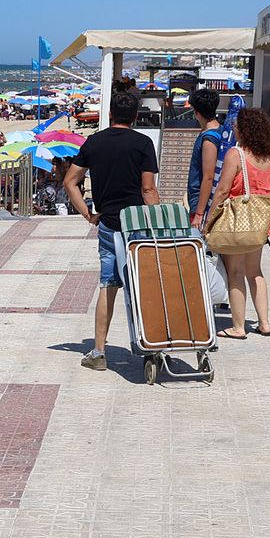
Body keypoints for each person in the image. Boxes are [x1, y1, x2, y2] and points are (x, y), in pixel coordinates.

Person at [61, 91, 159, 371]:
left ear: (110, 114)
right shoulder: (143, 143)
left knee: (109, 285)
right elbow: (148, 189)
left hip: (108, 224)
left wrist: (88, 215)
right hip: (138, 223)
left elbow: (70, 182)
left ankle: (99, 351)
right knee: (144, 285)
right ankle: (151, 343)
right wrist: (157, 220)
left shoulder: (94, 142)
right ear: (136, 117)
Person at [206, 108, 270, 339]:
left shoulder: (235, 155)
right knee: (255, 272)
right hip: (258, 224)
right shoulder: (268, 157)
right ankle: (265, 323)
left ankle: (238, 327)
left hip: (238, 223)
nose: (234, 128)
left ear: (244, 129)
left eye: (237, 125)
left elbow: (222, 191)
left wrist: (209, 221)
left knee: (236, 273)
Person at [186, 88, 225, 228]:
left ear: (196, 112)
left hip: (204, 204)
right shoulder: (221, 132)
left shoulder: (209, 139)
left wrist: (199, 213)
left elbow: (208, 177)